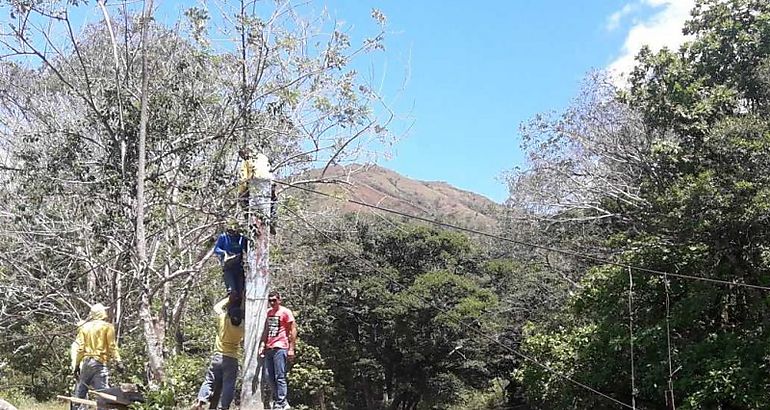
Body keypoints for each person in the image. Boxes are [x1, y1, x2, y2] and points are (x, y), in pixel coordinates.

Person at [194, 298, 245, 410]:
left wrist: (229, 298)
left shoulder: (224, 320)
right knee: (229, 384)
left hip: (218, 356)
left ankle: (201, 400)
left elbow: (217, 307)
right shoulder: (242, 328)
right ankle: (224, 406)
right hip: (232, 358)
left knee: (209, 380)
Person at [70, 303, 122, 410]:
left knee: (81, 391)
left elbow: (80, 348)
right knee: (103, 394)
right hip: (99, 363)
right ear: (101, 313)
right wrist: (118, 361)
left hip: (86, 362)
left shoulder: (84, 327)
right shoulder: (107, 327)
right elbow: (112, 346)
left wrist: (76, 365)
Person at [259, 291, 296, 410]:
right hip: (269, 347)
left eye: (274, 300)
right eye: (270, 300)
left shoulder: (286, 312)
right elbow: (266, 329)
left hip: (280, 347)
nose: (272, 303)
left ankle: (281, 402)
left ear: (279, 300)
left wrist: (291, 348)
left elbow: (293, 330)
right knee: (269, 376)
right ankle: (281, 401)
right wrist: (263, 344)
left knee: (280, 376)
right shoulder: (268, 312)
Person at [214, 220, 247, 318]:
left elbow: (247, 249)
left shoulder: (241, 238)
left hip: (239, 267)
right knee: (232, 292)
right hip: (228, 268)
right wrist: (224, 253)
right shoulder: (224, 237)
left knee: (241, 293)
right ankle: (227, 312)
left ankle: (239, 314)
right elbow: (216, 249)